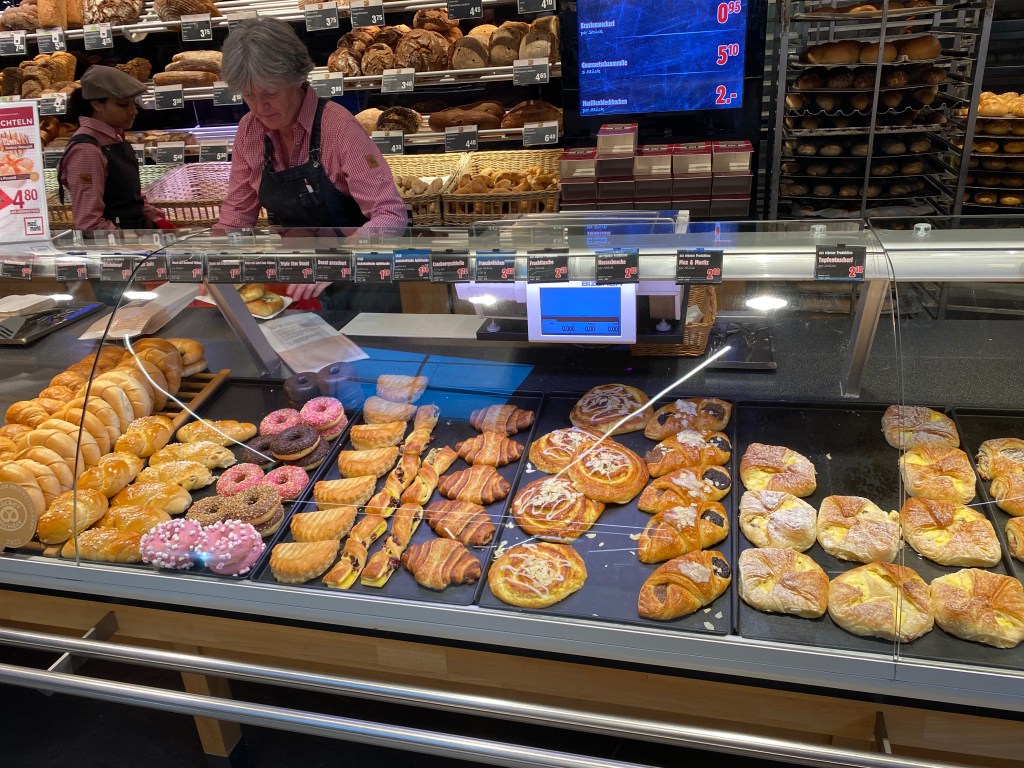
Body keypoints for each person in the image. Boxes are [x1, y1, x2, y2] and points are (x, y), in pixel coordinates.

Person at [216, 18, 408, 309]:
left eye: (270, 93)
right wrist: (214, 262)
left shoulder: (338, 127)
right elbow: (236, 218)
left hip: (360, 283)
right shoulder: (249, 130)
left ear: (296, 78)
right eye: (249, 95)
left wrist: (334, 261)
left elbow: (391, 214)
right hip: (297, 282)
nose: (260, 107)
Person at [58, 66, 175, 232]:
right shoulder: (86, 151)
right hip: (115, 245)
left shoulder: (115, 138)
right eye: (123, 105)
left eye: (134, 103)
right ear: (97, 104)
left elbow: (128, 197)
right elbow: (89, 224)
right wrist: (132, 240)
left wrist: (155, 220)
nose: (133, 111)